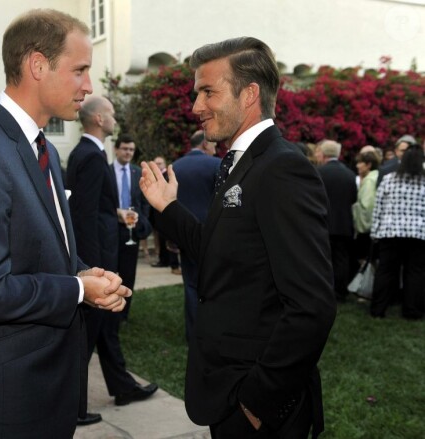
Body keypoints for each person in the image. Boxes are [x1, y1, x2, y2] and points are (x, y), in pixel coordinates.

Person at [0, 10, 131, 438]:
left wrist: (81, 272)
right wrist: (78, 290)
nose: (88, 86)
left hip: (46, 388)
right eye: (80, 70)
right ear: (38, 66)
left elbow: (34, 247)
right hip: (10, 402)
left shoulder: (40, 146)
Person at [139, 36, 336, 438]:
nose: (195, 107)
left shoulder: (281, 169)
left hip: (259, 409)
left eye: (208, 92)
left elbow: (311, 306)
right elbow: (221, 254)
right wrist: (168, 209)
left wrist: (257, 402)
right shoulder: (238, 164)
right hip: (226, 392)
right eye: (197, 93)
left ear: (249, 94)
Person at [67, 99, 156, 424]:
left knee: (106, 331)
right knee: (87, 338)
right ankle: (73, 409)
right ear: (99, 118)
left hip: (99, 253)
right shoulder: (91, 156)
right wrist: (94, 268)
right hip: (97, 258)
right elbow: (86, 217)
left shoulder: (87, 152)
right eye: (114, 114)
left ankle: (123, 386)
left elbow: (92, 210)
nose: (116, 119)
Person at [171, 130, 220, 341]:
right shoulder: (217, 164)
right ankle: (211, 331)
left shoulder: (175, 167)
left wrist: (172, 236)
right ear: (206, 144)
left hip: (183, 233)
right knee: (214, 284)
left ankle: (193, 333)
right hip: (212, 234)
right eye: (215, 145)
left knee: (191, 284)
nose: (216, 149)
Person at [370, 143, 425, 319]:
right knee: (415, 273)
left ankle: (378, 310)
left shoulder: (388, 179)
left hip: (389, 232)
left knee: (386, 271)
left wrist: (374, 233)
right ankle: (411, 311)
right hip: (418, 233)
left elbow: (378, 208)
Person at [110, 134, 153, 317]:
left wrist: (141, 219)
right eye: (125, 148)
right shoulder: (107, 171)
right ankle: (109, 308)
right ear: (117, 149)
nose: (128, 152)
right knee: (111, 271)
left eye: (131, 149)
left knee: (128, 273)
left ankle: (124, 314)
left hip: (132, 231)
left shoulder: (137, 173)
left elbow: (144, 202)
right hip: (111, 229)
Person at [316, 140, 357, 302]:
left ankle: (323, 290)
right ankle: (340, 292)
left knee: (322, 258)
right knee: (341, 259)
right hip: (343, 223)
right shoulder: (349, 174)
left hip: (322, 222)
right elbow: (354, 198)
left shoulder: (318, 172)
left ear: (324, 154)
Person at [150, 155, 180, 273]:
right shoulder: (154, 177)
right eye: (156, 163)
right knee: (161, 239)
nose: (158, 165)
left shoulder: (168, 176)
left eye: (160, 163)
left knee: (167, 239)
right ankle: (164, 259)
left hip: (166, 212)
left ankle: (169, 262)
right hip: (156, 213)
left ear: (164, 164)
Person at [352, 151, 380, 263]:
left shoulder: (369, 180)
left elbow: (367, 206)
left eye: (360, 162)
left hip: (366, 230)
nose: (357, 165)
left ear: (368, 164)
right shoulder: (377, 176)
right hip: (373, 228)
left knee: (363, 261)